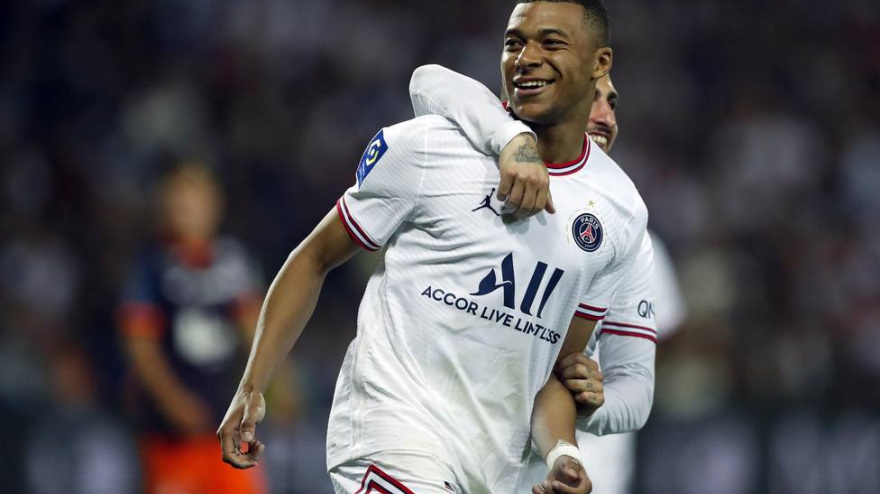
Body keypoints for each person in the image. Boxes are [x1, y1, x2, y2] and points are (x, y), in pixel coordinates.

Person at [216, 1, 651, 493]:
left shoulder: (619, 212)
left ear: (599, 63)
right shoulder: (430, 146)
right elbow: (315, 257)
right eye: (513, 43)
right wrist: (252, 385)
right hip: (391, 434)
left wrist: (563, 454)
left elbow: (554, 373)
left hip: (493, 469)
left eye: (551, 43)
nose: (526, 58)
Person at [409, 66, 687, 493]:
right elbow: (428, 81)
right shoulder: (480, 194)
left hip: (581, 474)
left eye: (611, 103)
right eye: (590, 99)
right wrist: (512, 139)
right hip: (459, 456)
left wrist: (592, 402)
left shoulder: (632, 238)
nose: (606, 117)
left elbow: (637, 391)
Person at [118, 163, 272, 494]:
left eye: (195, 202)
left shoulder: (232, 260)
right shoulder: (153, 264)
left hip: (226, 422)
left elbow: (254, 327)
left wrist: (273, 384)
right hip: (171, 434)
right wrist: (172, 400)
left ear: (214, 206)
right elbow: (140, 342)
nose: (187, 211)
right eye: (179, 203)